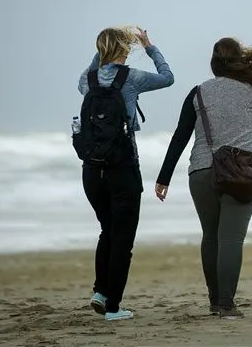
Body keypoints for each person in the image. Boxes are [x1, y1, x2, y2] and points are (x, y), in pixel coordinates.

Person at [154, 37, 252, 320]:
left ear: (214, 64)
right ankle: (227, 305)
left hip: (202, 171)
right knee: (231, 239)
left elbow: (180, 136)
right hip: (242, 174)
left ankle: (215, 301)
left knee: (211, 237)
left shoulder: (198, 92)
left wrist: (163, 177)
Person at [78, 26, 175, 321]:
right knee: (123, 240)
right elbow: (168, 78)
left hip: (92, 170)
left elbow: (95, 69)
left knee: (107, 231)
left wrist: (103, 49)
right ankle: (113, 308)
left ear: (99, 49)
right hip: (123, 169)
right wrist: (149, 45)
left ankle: (100, 291)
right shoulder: (132, 78)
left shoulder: (87, 80)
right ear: (126, 48)